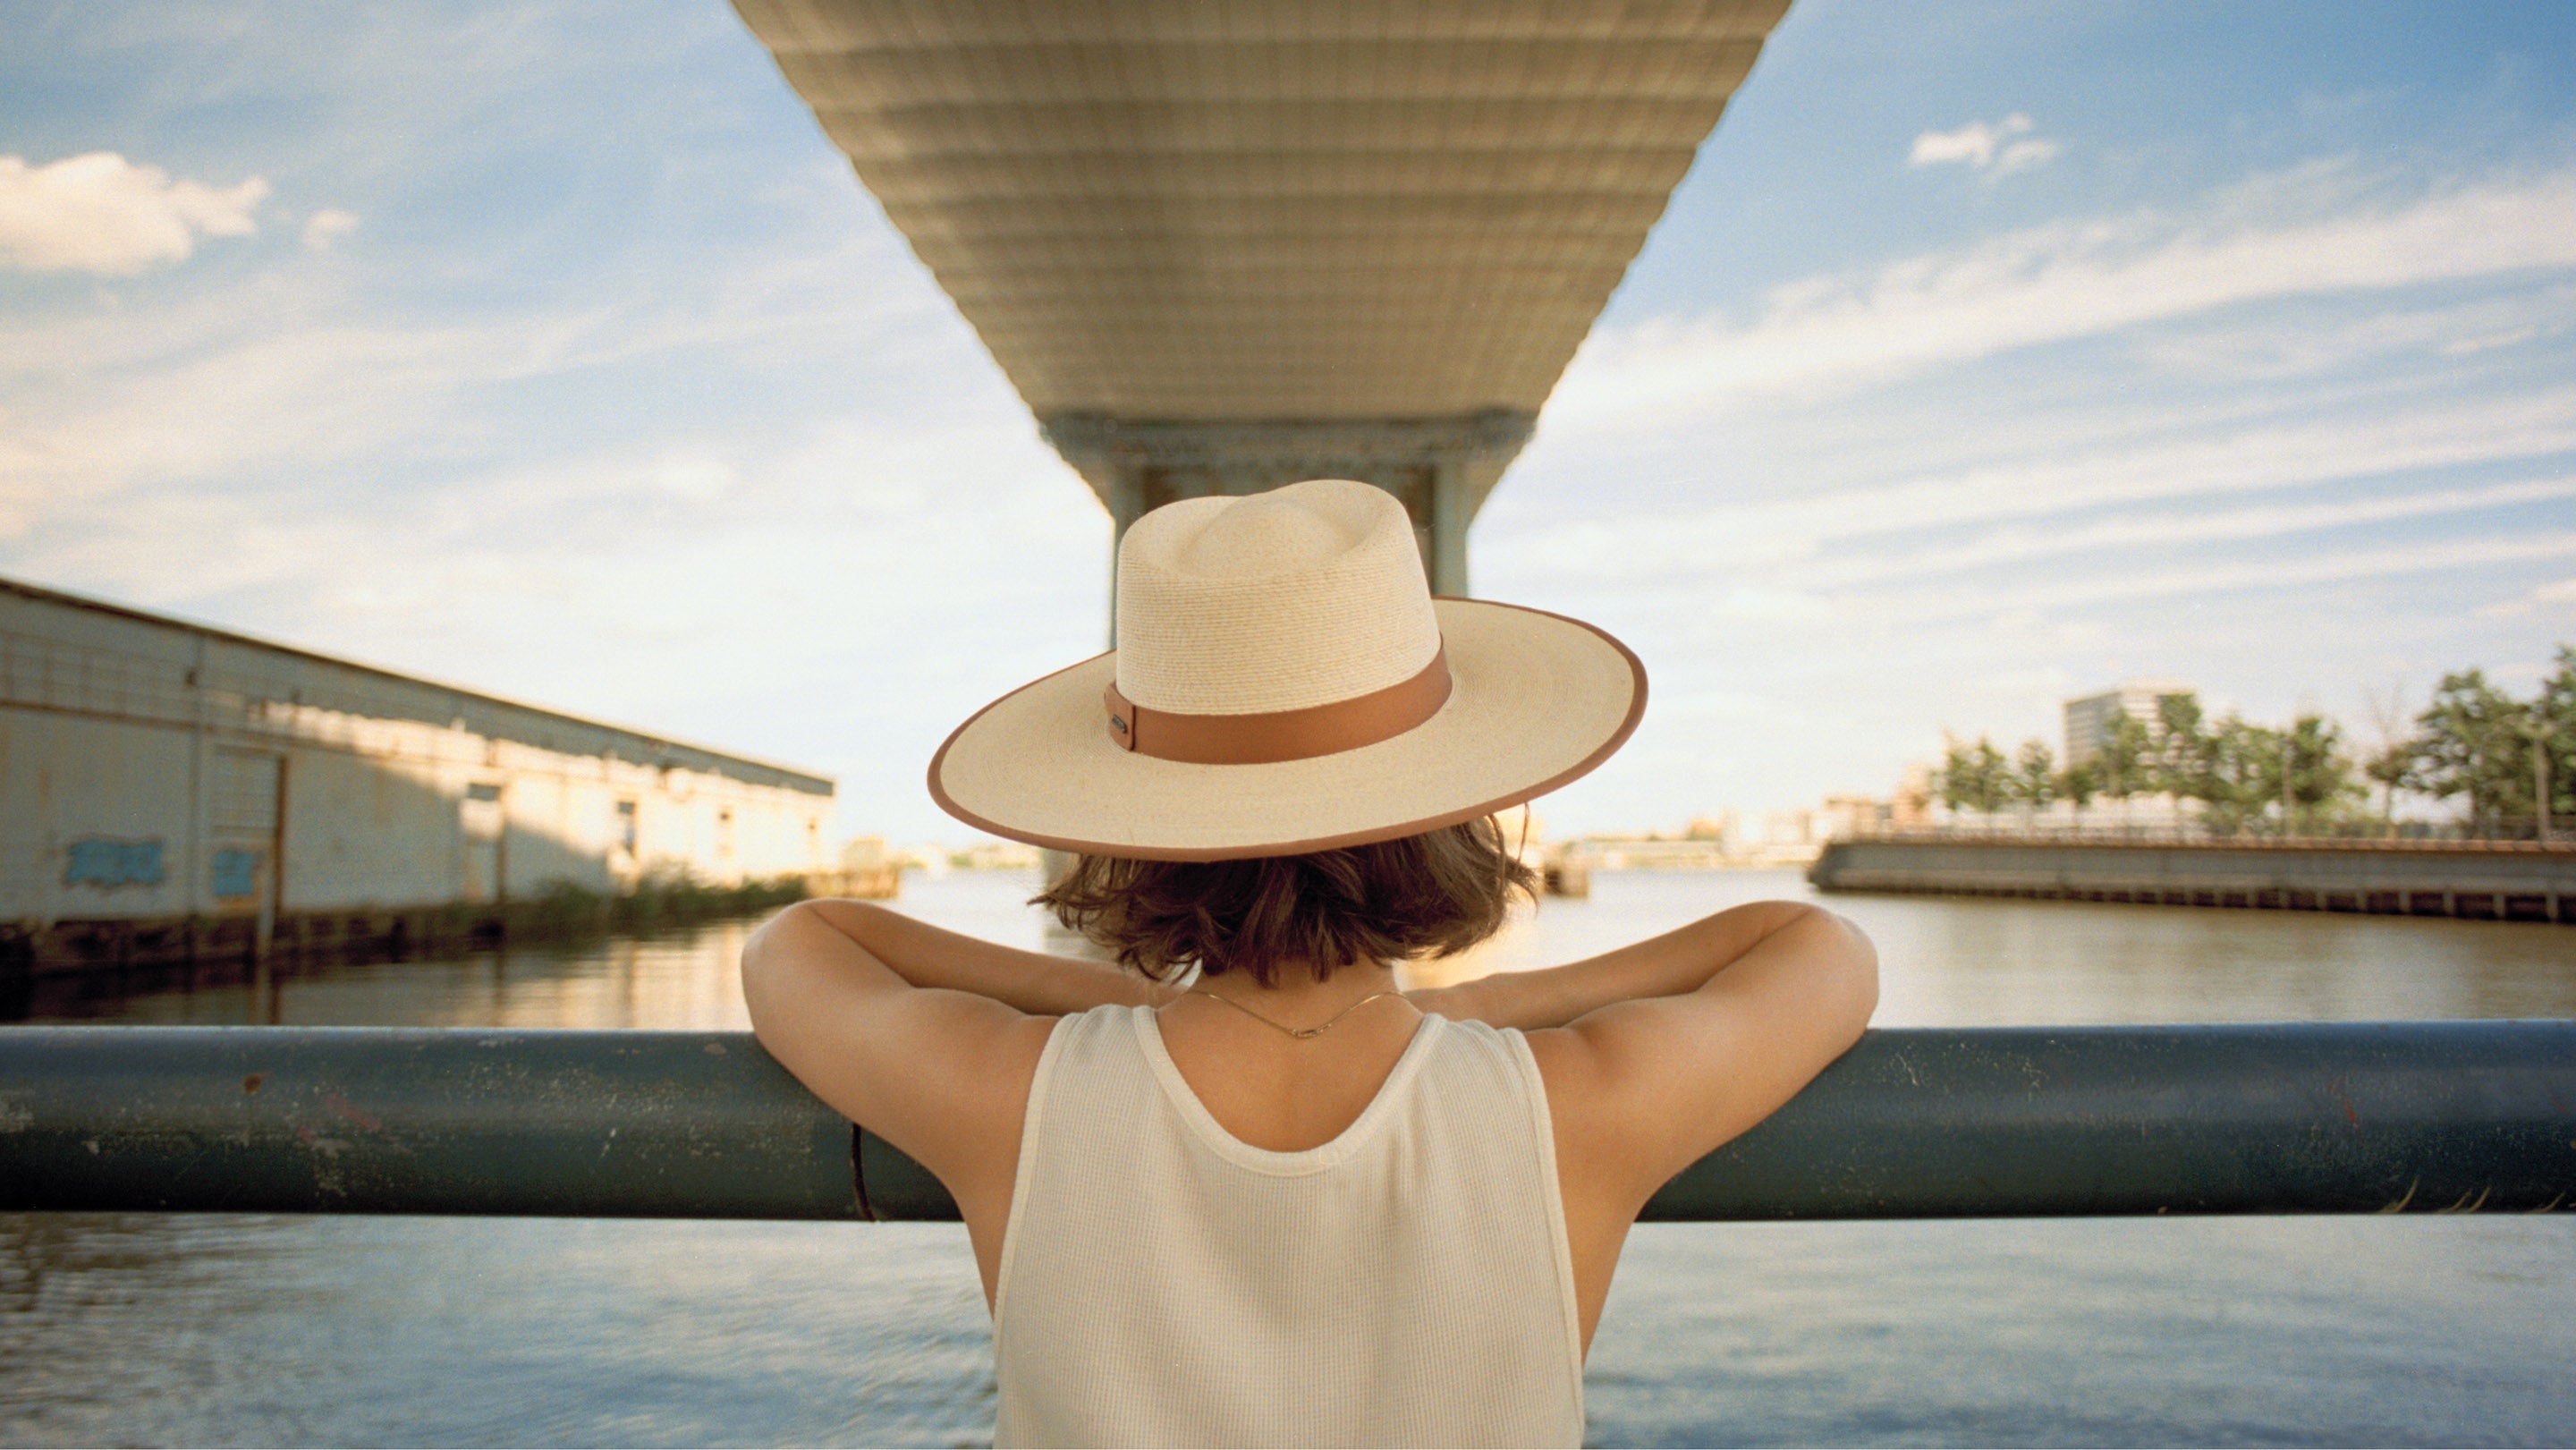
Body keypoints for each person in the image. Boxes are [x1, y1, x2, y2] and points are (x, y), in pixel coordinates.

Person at [741, 479, 1877, 1447]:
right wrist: (1485, 1005)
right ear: (1449, 818)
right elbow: (1818, 944)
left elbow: (803, 941)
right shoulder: (1582, 1102)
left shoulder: (1006, 1094)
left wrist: (1140, 1006)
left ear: (1133, 840)